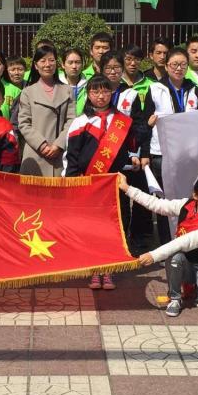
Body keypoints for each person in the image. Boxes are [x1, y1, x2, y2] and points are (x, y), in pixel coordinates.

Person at [65, 75, 150, 290]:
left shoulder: (122, 121)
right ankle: (95, 269)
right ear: (88, 94)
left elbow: (132, 145)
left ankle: (109, 268)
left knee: (114, 226)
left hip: (114, 183)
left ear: (111, 93)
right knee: (92, 227)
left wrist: (144, 127)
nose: (100, 96)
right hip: (89, 183)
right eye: (95, 91)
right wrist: (72, 183)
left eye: (105, 91)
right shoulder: (80, 122)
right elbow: (72, 156)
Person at [119, 172, 198, 319]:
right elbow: (157, 204)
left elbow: (181, 242)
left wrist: (153, 256)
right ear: (195, 195)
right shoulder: (186, 205)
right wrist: (127, 188)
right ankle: (175, 298)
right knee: (175, 256)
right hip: (185, 262)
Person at [144, 47, 198, 244]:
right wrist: (146, 146)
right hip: (161, 153)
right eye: (174, 64)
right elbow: (144, 123)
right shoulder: (155, 89)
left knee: (187, 196)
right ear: (166, 66)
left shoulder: (194, 90)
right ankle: (167, 242)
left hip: (188, 154)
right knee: (165, 200)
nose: (179, 68)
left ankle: (186, 239)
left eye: (183, 64)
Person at [17, 44, 76, 177]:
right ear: (36, 65)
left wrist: (58, 145)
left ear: (57, 63)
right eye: (43, 61)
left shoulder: (67, 90)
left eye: (51, 60)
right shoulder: (28, 92)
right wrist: (42, 145)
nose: (47, 64)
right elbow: (24, 123)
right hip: (35, 154)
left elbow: (71, 121)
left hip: (59, 154)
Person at [60, 48, 88, 113]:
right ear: (63, 65)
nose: (74, 66)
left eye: (78, 62)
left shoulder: (89, 85)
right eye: (70, 63)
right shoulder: (56, 85)